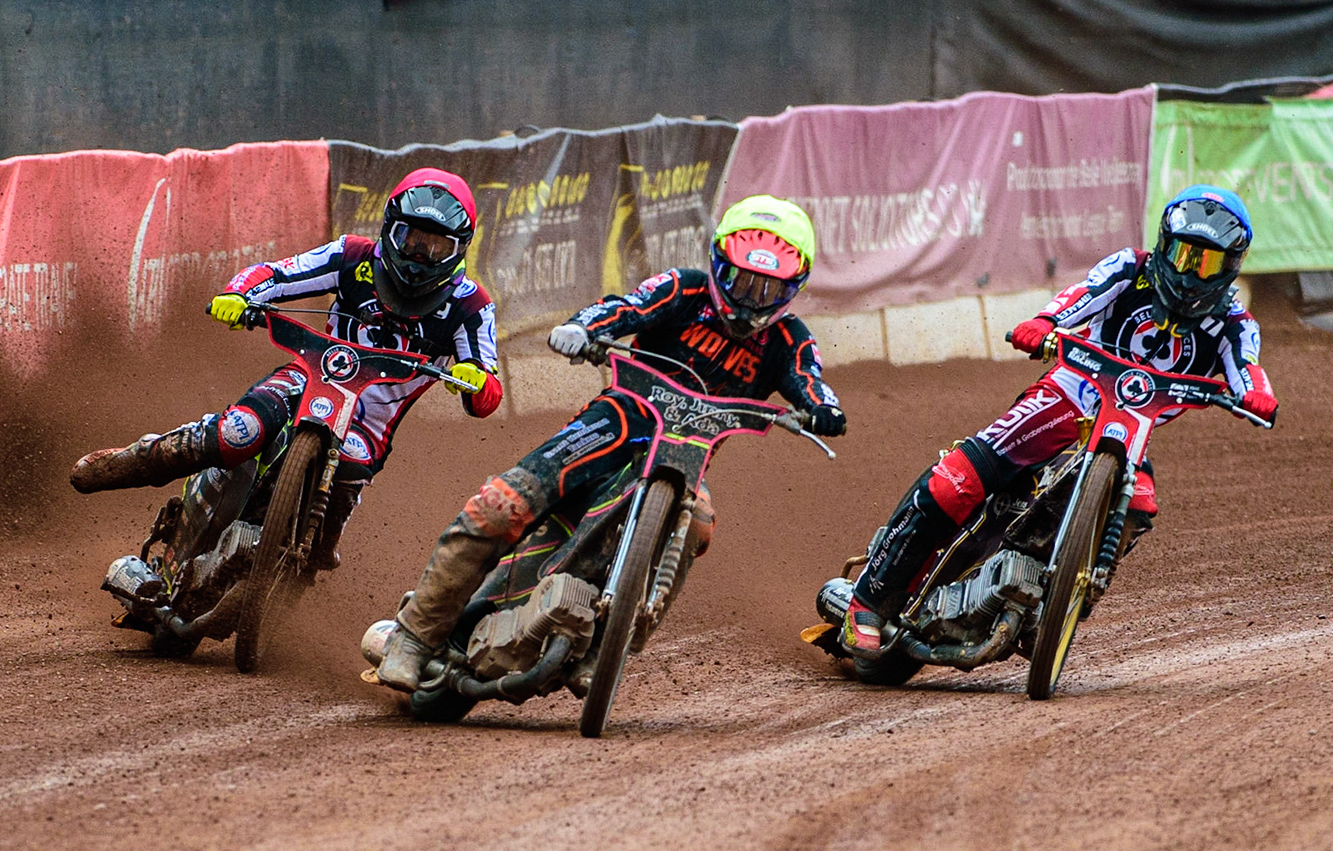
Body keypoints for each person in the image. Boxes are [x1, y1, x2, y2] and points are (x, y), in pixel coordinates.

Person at [371, 195, 847, 690]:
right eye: (742, 279)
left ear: (792, 287)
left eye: (766, 287)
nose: (749, 297)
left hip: (684, 458)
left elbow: (808, 379)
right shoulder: (684, 289)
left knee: (699, 524)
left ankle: (607, 646)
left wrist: (824, 409)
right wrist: (584, 328)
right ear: (720, 265)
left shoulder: (789, 338)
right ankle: (413, 638)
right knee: (500, 506)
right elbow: (625, 308)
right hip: (613, 424)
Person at [838, 184, 1277, 657]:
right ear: (1163, 245)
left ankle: (1057, 600)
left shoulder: (1233, 321)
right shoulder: (1131, 268)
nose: (1190, 272)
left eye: (1205, 262)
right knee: (958, 482)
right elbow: (1081, 294)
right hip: (1068, 395)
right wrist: (1045, 323)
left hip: (1130, 430)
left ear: (1230, 267)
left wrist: (1256, 395)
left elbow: (1248, 367)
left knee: (1139, 505)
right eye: (1183, 254)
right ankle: (868, 602)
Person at [69, 167, 502, 569]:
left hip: (366, 428)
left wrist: (476, 381)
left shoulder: (470, 306)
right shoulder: (353, 257)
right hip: (307, 379)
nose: (420, 255)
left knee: (332, 521)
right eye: (412, 239)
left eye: (436, 247)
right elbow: (275, 274)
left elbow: (487, 387)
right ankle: (142, 459)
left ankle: (297, 570)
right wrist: (238, 296)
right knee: (239, 432)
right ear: (390, 229)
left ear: (459, 250)